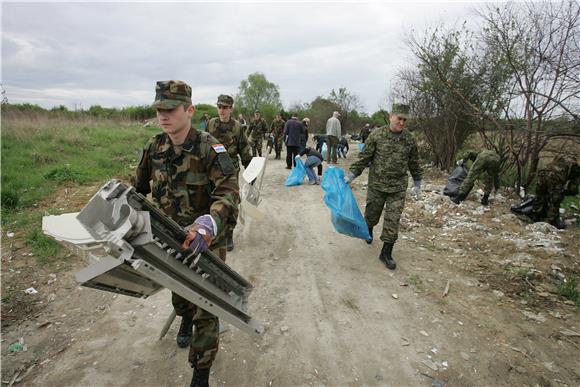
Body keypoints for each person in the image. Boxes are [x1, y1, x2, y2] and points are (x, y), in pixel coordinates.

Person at [133, 81, 239, 387]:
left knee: (207, 304)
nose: (163, 116)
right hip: (170, 238)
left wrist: (209, 223)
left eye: (170, 109)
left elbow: (230, 193)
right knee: (180, 292)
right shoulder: (155, 148)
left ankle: (201, 374)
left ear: (189, 110)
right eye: (159, 110)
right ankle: (183, 317)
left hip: (207, 241)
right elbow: (137, 190)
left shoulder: (210, 148)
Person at [347, 103, 422, 270]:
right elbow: (364, 158)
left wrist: (418, 181)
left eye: (404, 120)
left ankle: (386, 252)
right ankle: (369, 228)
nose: (401, 123)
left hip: (398, 187)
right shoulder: (377, 135)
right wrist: (352, 174)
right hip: (377, 185)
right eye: (399, 119)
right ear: (391, 116)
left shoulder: (409, 139)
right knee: (372, 213)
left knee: (393, 219)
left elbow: (414, 162)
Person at [207, 94, 252, 251]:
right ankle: (212, 232)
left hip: (230, 171)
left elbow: (245, 150)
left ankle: (228, 235)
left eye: (225, 107)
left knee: (230, 202)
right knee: (211, 200)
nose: (222, 110)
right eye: (219, 107)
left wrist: (250, 171)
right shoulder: (211, 124)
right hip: (211, 169)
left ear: (231, 108)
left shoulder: (238, 127)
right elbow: (202, 145)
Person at [529, 155, 579, 229]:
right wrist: (566, 192)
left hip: (543, 175)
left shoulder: (560, 158)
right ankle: (551, 222)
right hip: (555, 179)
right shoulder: (575, 167)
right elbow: (573, 187)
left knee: (540, 196)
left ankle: (535, 216)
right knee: (555, 200)